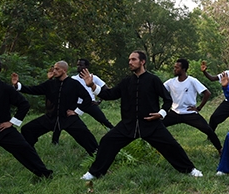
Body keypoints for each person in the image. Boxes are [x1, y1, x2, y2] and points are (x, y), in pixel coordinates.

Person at [80, 50, 203, 180]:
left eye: (133, 59)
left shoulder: (153, 80)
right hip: (128, 124)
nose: (130, 62)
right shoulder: (126, 81)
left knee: (171, 145)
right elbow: (109, 95)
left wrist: (161, 114)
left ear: (142, 62)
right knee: (107, 141)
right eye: (129, 60)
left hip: (151, 124)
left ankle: (190, 170)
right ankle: (94, 173)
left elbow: (168, 100)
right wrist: (92, 85)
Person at [12, 61, 99, 156]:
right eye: (54, 68)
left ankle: (98, 156)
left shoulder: (74, 84)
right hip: (50, 118)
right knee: (27, 129)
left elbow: (87, 98)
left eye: (57, 69)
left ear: (65, 70)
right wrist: (17, 85)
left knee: (87, 138)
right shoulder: (50, 84)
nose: (54, 71)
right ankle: (30, 155)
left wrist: (77, 111)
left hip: (69, 119)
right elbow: (33, 89)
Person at [162, 58, 223, 156]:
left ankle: (220, 150)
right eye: (174, 67)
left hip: (189, 113)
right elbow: (159, 90)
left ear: (184, 69)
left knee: (208, 130)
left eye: (177, 68)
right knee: (158, 126)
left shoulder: (192, 81)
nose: (174, 69)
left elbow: (207, 93)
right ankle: (161, 148)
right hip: (174, 112)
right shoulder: (171, 82)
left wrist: (198, 108)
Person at [73, 59, 115, 132]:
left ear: (86, 66)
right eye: (78, 65)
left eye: (81, 65)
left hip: (90, 103)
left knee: (103, 120)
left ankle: (114, 132)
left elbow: (105, 89)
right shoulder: (73, 79)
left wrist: (99, 101)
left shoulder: (93, 77)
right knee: (66, 119)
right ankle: (55, 141)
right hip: (78, 104)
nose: (78, 67)